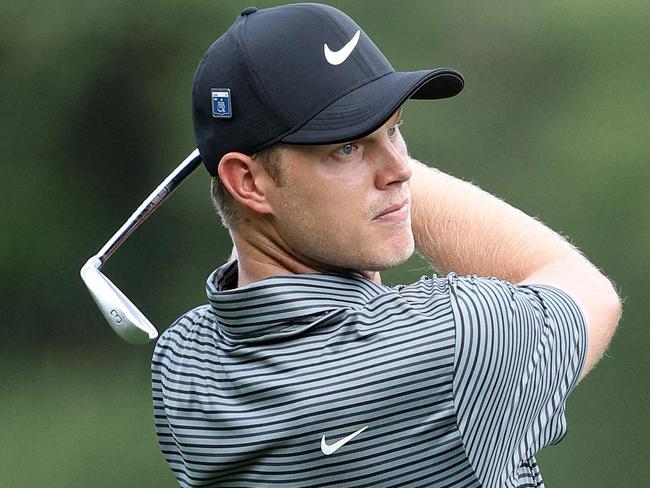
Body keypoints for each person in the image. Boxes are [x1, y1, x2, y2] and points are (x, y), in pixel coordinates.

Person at [151, 4, 621, 487]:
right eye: (347, 147)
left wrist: (267, 159)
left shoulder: (182, 364)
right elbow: (584, 287)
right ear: (246, 182)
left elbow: (254, 242)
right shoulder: (456, 339)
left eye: (393, 129)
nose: (401, 169)